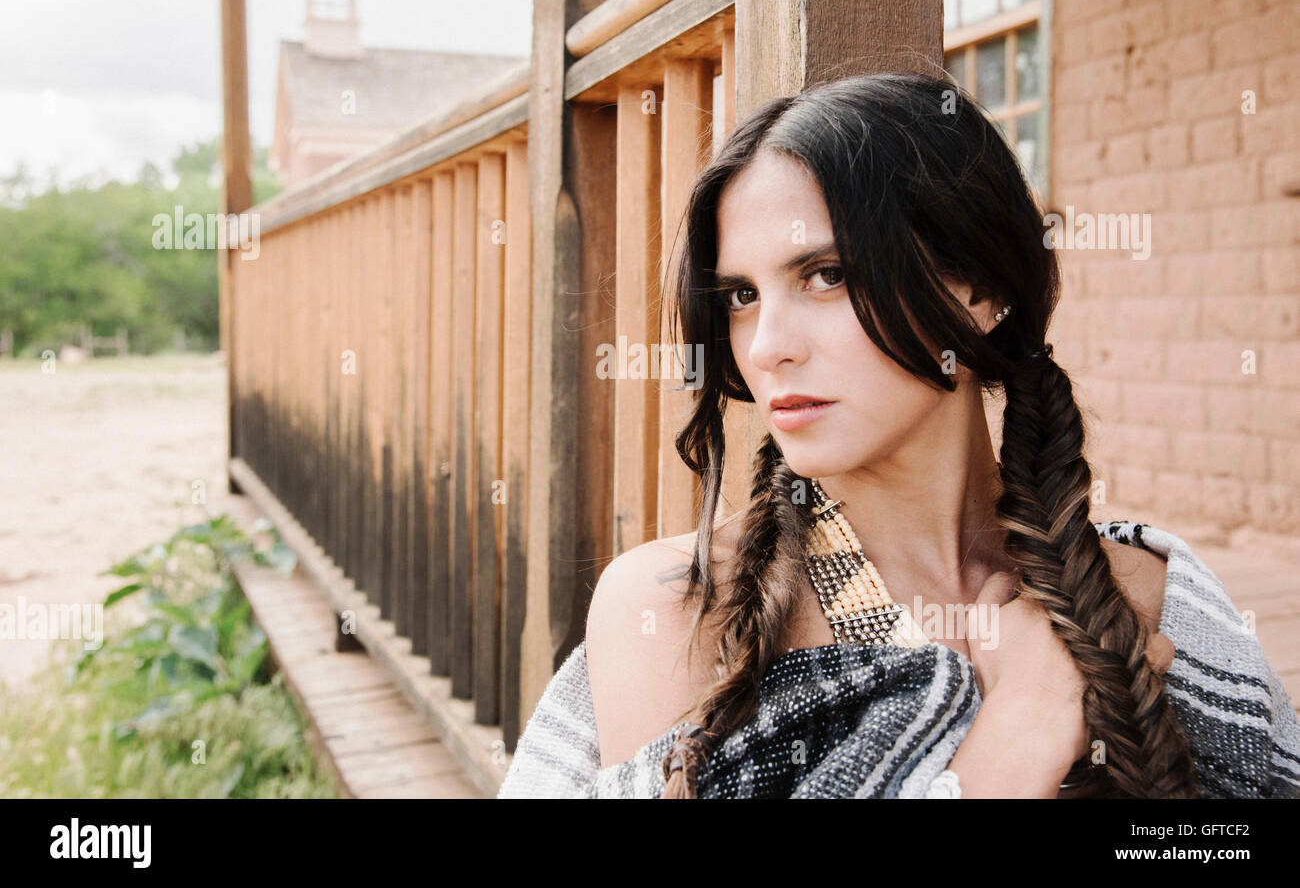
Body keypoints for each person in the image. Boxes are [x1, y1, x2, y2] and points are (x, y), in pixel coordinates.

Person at [497, 72, 1300, 799]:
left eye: (826, 274)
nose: (768, 343)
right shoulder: (684, 609)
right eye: (741, 294)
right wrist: (1022, 728)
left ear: (981, 288)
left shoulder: (1155, 597)